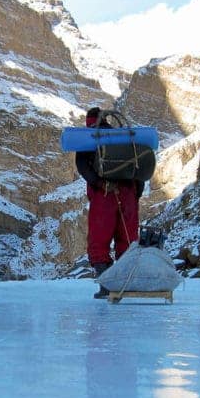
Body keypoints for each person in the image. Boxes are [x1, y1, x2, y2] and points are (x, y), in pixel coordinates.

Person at [75, 107, 144, 298]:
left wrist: (99, 182)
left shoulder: (89, 138)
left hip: (103, 193)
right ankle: (126, 283)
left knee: (99, 239)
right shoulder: (123, 137)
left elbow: (82, 166)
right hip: (128, 192)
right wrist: (136, 191)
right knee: (128, 238)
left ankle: (107, 285)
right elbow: (140, 165)